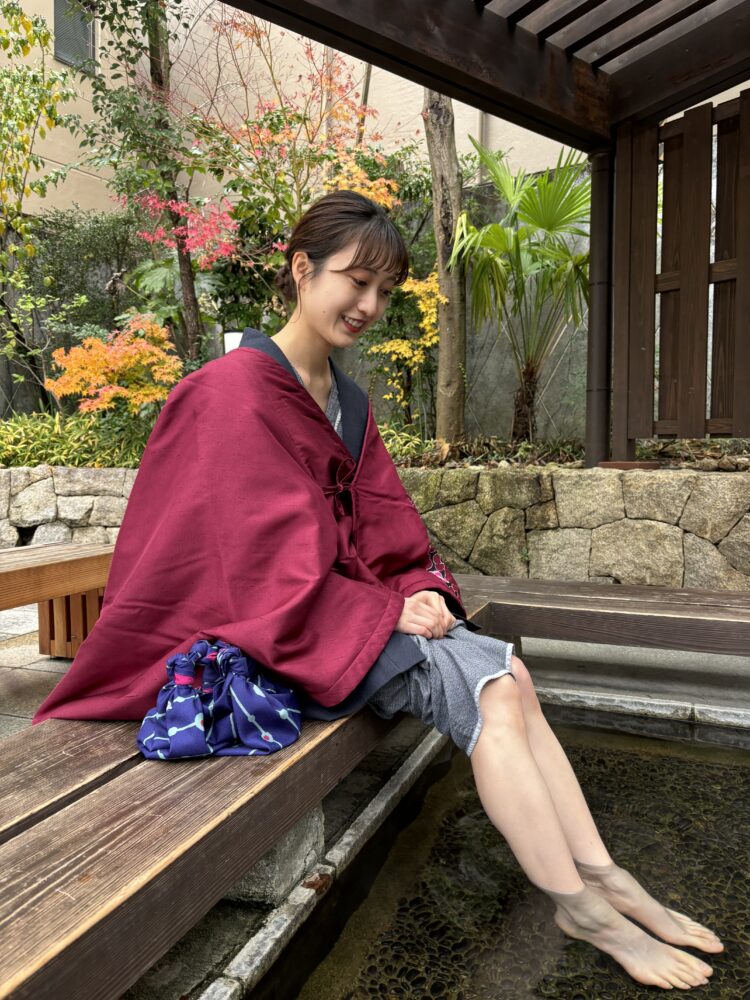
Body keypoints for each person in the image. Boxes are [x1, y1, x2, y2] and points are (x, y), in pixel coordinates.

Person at [34, 191, 722, 990]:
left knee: (511, 671)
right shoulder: (229, 392)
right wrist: (384, 609)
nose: (369, 306)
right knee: (490, 689)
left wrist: (415, 591)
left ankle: (602, 875)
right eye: (355, 282)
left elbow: (383, 524)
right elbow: (239, 561)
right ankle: (581, 906)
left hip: (341, 611)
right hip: (271, 631)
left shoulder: (346, 402)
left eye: (385, 291)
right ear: (302, 269)